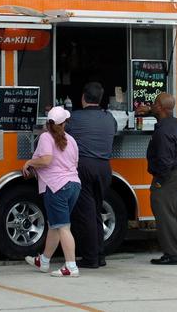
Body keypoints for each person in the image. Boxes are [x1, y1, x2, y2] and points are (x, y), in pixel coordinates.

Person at [23, 106, 82, 277]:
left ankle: (71, 267)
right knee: (55, 225)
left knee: (63, 227)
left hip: (56, 187)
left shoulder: (45, 137)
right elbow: (75, 164)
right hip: (74, 185)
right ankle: (44, 260)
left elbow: (46, 160)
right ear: (65, 123)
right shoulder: (71, 139)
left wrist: (29, 162)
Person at [65, 82, 117, 268]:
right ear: (100, 98)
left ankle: (90, 258)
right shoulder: (109, 118)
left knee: (85, 213)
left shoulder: (74, 118)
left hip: (84, 166)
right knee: (95, 210)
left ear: (83, 98)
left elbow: (61, 135)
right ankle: (100, 255)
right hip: (104, 168)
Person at [136, 93, 177, 265]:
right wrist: (148, 110)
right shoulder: (173, 122)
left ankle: (172, 255)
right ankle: (174, 252)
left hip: (167, 177)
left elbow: (164, 160)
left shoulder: (163, 132)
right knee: (171, 216)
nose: (152, 104)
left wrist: (159, 180)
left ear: (161, 108)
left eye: (155, 103)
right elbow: (159, 111)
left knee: (165, 217)